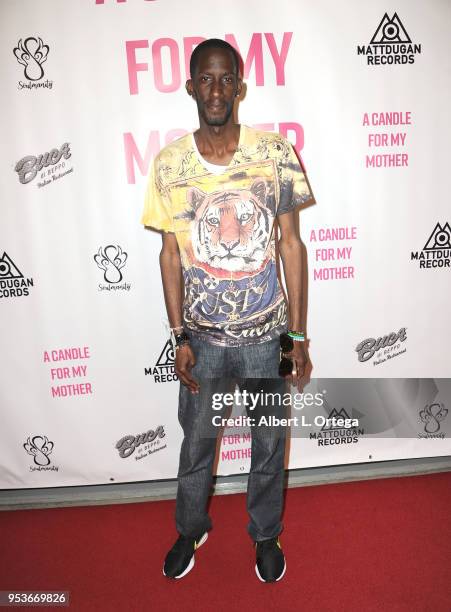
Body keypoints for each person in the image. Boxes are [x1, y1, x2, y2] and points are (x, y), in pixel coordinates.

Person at [141, 38, 313, 582]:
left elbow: (291, 246)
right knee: (197, 446)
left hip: (267, 338)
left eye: (225, 80)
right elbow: (169, 255)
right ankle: (191, 527)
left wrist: (298, 338)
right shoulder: (170, 165)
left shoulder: (275, 154)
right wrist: (179, 336)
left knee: (268, 442)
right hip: (205, 339)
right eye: (205, 80)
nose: (216, 90)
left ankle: (266, 533)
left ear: (240, 87)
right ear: (190, 87)